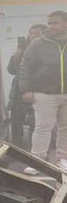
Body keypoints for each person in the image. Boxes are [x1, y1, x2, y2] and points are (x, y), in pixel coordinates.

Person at [19, 10, 67, 169]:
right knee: (42, 128)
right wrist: (26, 89)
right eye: (49, 23)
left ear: (65, 23)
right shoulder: (38, 43)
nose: (51, 26)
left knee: (65, 129)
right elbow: (25, 67)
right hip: (44, 93)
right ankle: (37, 162)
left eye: (55, 23)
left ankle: (63, 161)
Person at [7, 24, 46, 149]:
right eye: (32, 33)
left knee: (36, 123)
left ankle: (36, 149)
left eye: (37, 33)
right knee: (16, 122)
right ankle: (16, 149)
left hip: (37, 92)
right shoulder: (22, 49)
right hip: (19, 92)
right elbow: (11, 70)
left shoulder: (46, 49)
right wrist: (14, 57)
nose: (33, 35)